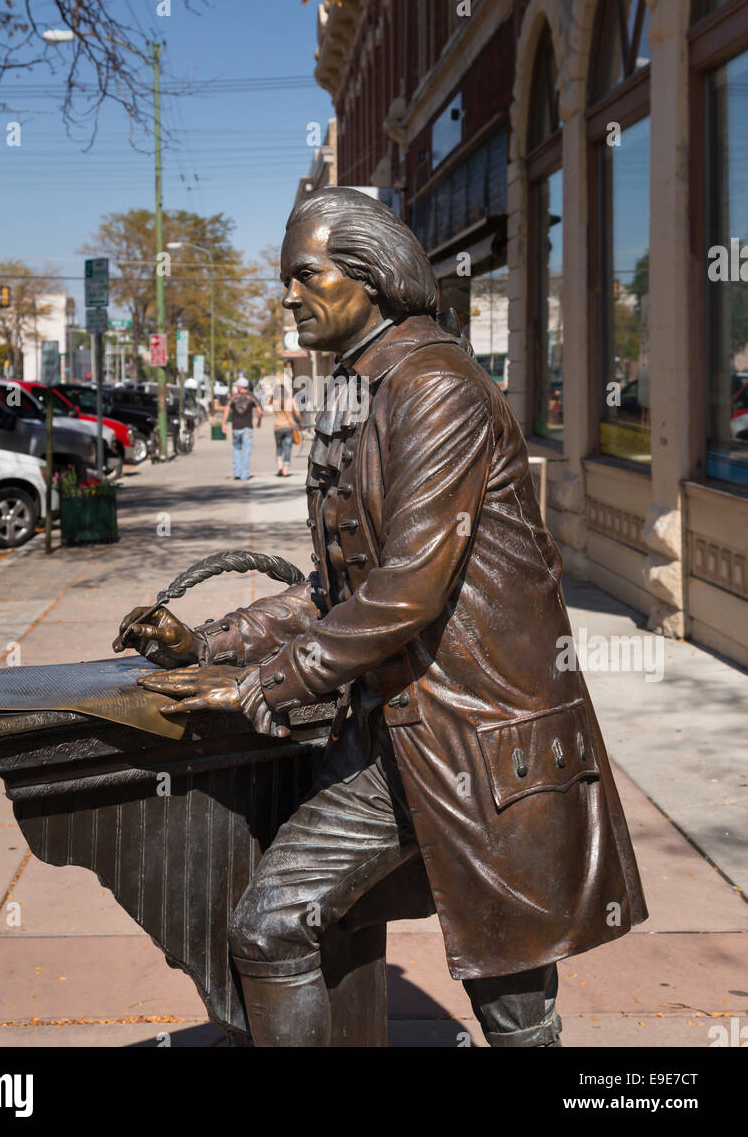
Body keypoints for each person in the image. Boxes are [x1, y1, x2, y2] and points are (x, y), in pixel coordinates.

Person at [116, 187, 647, 1048]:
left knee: (514, 1008)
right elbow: (340, 586)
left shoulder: (433, 388)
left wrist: (266, 683)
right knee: (275, 926)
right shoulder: (366, 388)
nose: (288, 295)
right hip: (401, 733)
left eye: (305, 275)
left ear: (373, 278)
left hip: (477, 740)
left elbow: (408, 586)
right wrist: (210, 641)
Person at [222, 380, 262, 480]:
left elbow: (226, 409)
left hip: (236, 426)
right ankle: (245, 474)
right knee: (246, 450)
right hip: (247, 427)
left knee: (236, 449)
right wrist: (259, 421)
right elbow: (260, 411)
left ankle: (237, 473)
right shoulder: (252, 397)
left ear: (240, 386)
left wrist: (224, 424)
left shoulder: (233, 397)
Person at [271, 380, 303, 477]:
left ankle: (279, 467)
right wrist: (301, 423)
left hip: (277, 427)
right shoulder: (290, 400)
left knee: (279, 447)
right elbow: (297, 413)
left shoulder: (274, 401)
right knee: (288, 448)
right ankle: (285, 471)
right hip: (289, 427)